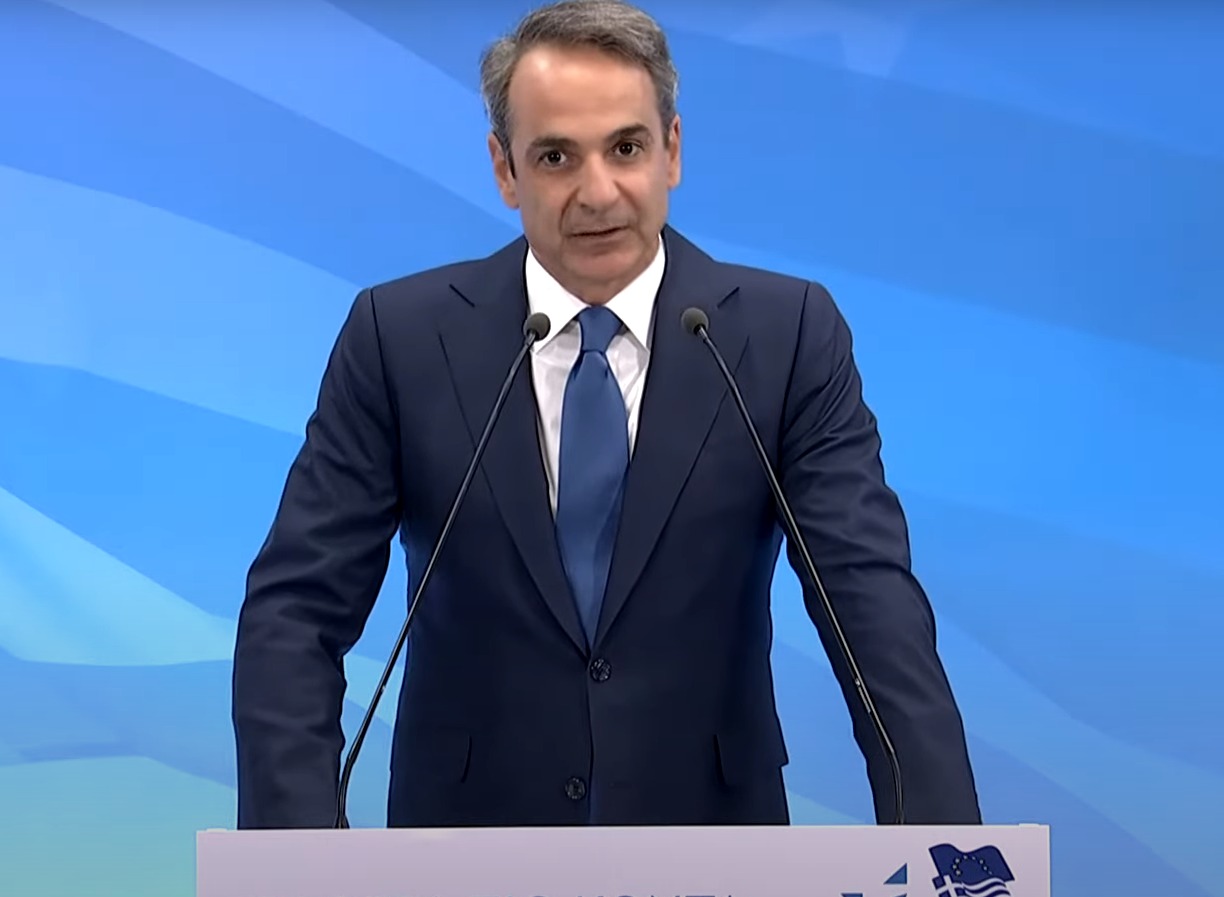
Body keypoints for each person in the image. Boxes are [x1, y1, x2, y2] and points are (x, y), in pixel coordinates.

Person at [231, 0, 981, 829]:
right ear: (505, 169)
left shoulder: (786, 336)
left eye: (626, 148)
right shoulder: (399, 338)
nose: (598, 192)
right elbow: (295, 614)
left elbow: (871, 608)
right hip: (466, 849)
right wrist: (295, 860)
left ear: (672, 151)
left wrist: (947, 851)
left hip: (712, 847)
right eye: (556, 156)